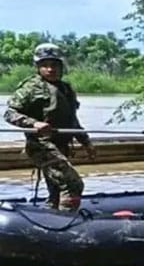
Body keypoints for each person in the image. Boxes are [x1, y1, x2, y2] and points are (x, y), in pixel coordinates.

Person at [4, 43, 95, 210]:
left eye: (54, 65)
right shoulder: (31, 87)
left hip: (61, 144)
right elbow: (9, 114)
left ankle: (51, 220)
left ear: (61, 67)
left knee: (56, 190)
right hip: (41, 146)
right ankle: (67, 223)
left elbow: (72, 120)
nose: (50, 69)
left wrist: (86, 142)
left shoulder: (66, 89)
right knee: (72, 184)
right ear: (38, 67)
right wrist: (34, 123)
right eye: (45, 65)